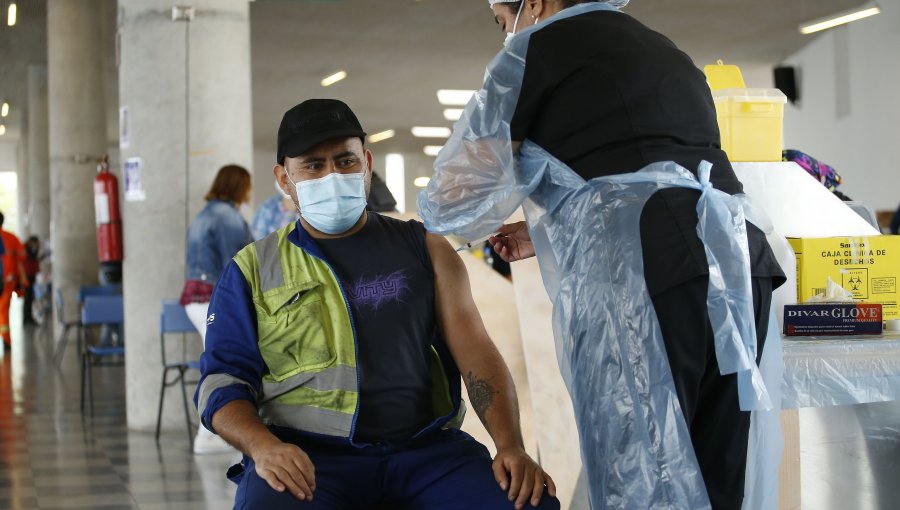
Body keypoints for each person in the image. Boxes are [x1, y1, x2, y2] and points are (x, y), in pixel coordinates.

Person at [417, 1, 785, 509]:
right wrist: (549, 225)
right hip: (738, 261)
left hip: (643, 272)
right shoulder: (664, 50)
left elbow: (455, 196)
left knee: (641, 471)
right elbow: (644, 166)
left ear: (536, 5)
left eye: (505, 21)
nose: (507, 34)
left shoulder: (534, 50)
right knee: (716, 470)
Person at [194, 99, 559, 510]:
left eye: (345, 160)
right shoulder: (253, 269)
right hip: (312, 460)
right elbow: (221, 382)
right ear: (284, 178)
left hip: (427, 452)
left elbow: (475, 350)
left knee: (530, 503)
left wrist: (510, 445)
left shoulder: (425, 247)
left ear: (366, 162)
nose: (332, 175)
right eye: (313, 166)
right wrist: (264, 447)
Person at [180, 164, 254, 453]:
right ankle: (210, 435)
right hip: (214, 297)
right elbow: (239, 263)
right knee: (222, 367)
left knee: (217, 363)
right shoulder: (226, 217)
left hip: (196, 297)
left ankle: (211, 434)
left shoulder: (206, 213)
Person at [0, 212, 28, 352]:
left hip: (5, 280)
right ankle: (5, 339)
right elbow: (22, 256)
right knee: (4, 310)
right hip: (8, 280)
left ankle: (6, 339)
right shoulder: (11, 238)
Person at [22, 236, 41, 325]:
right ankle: (27, 319)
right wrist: (37, 248)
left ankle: (29, 317)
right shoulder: (25, 248)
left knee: (30, 298)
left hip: (31, 275)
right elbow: (31, 258)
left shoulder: (28, 248)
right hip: (27, 276)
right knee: (28, 298)